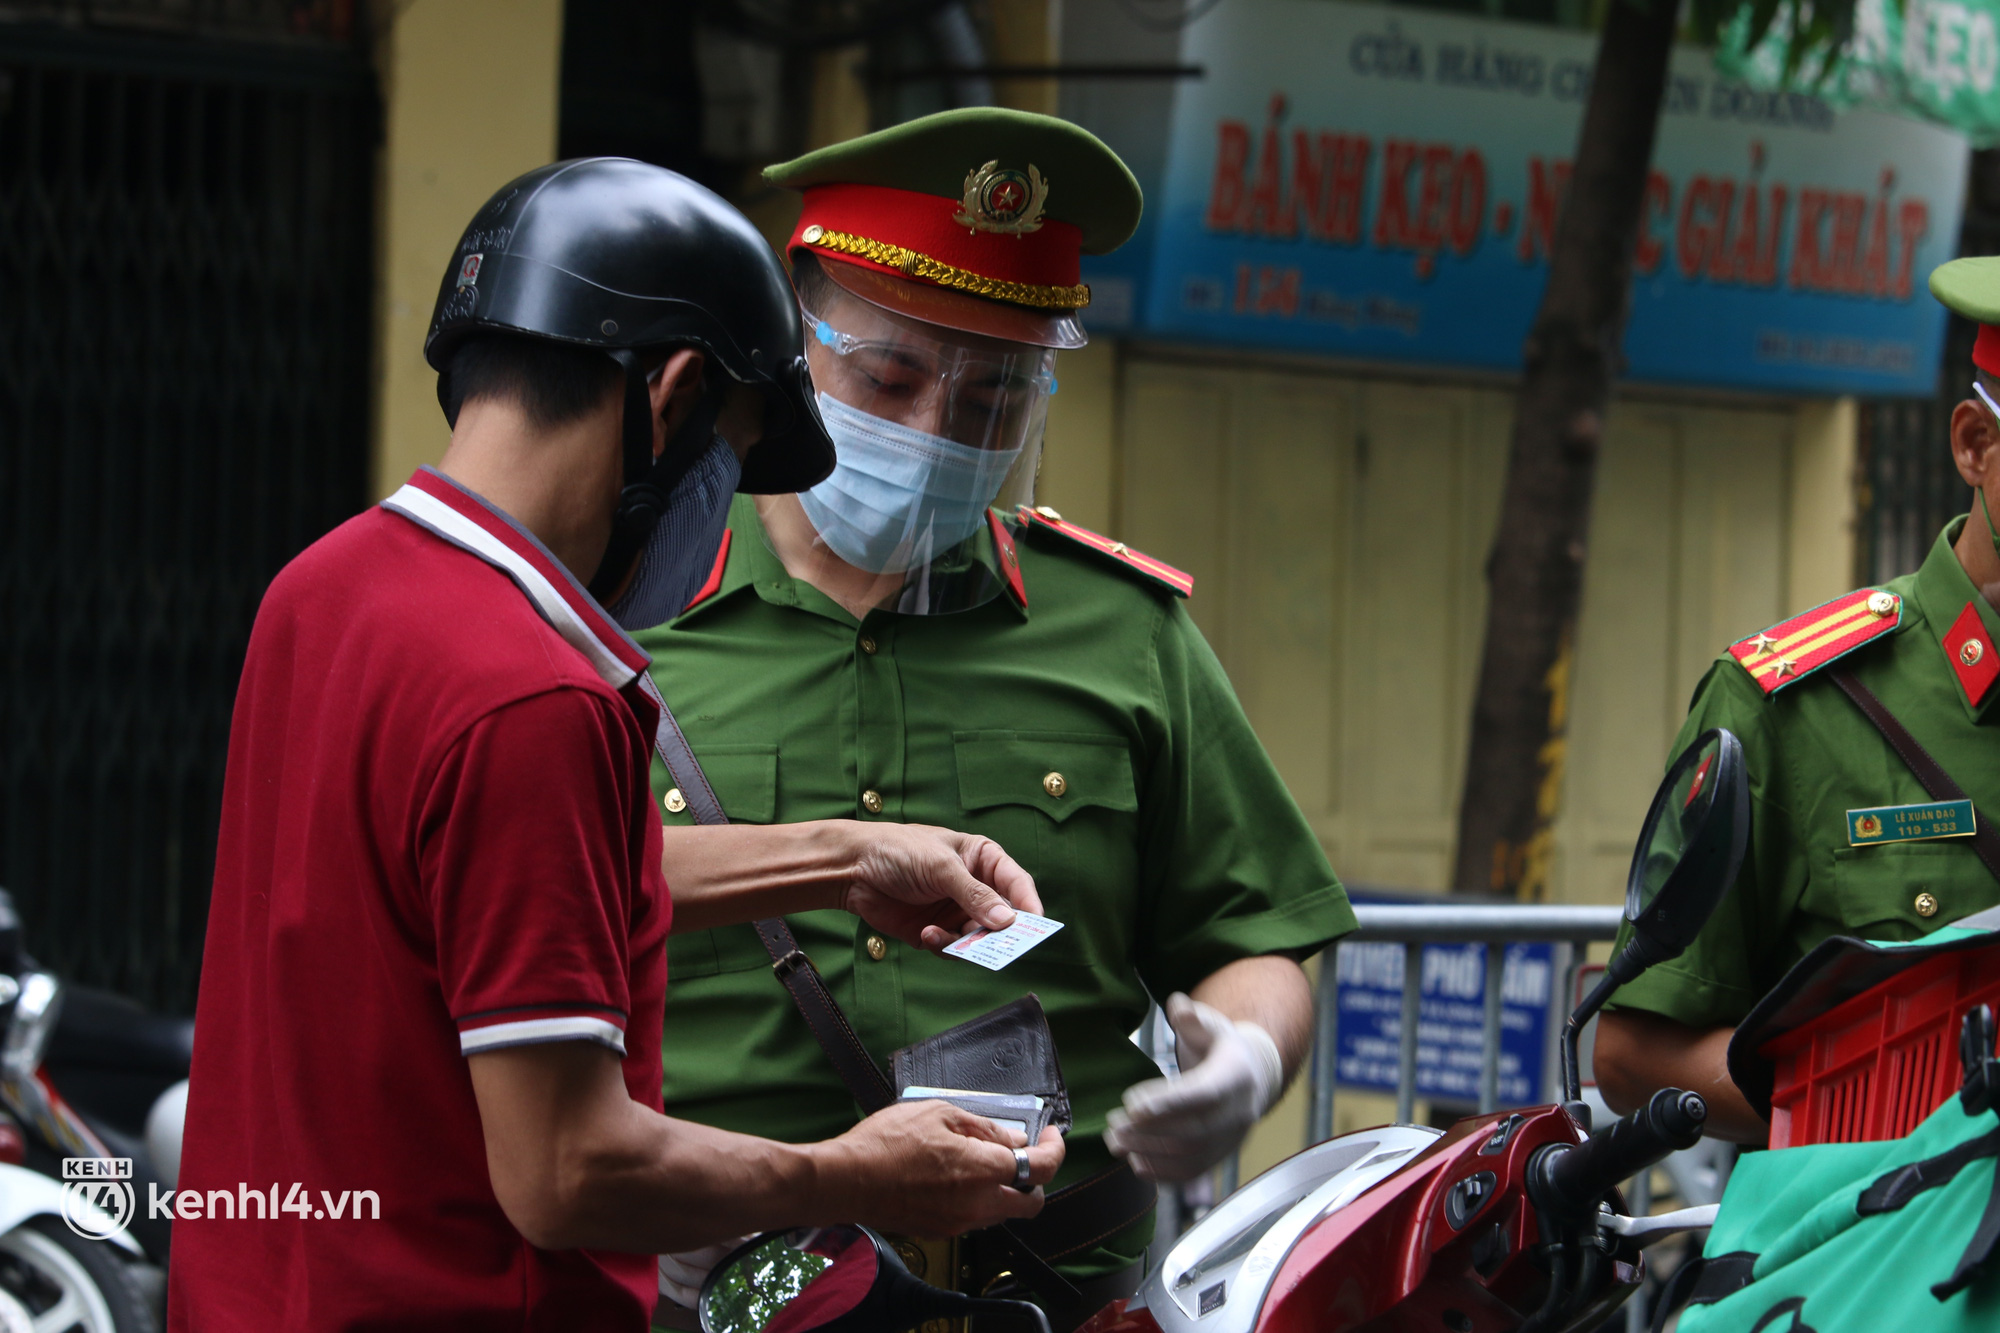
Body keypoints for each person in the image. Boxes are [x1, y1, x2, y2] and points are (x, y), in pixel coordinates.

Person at [168, 159, 1062, 1332]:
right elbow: (566, 1172)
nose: (721, 502)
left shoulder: (322, 591)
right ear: (671, 395)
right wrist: (857, 1169)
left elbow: (486, 893)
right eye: (733, 459)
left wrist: (848, 858)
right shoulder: (536, 696)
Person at [637, 109, 1356, 1325]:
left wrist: (1242, 1062)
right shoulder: (631, 608)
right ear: (789, 340)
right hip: (703, 1297)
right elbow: (517, 910)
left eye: (991, 400)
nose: (930, 435)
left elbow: (1253, 933)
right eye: (888, 377)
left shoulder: (1124, 632)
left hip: (1049, 1294)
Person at [1596, 256, 2000, 1144]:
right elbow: (1634, 1052)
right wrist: (1901, 1117)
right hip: (1880, 1256)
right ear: (1976, 444)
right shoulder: (1795, 704)